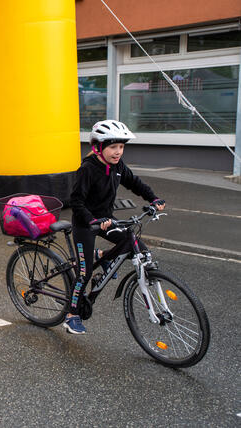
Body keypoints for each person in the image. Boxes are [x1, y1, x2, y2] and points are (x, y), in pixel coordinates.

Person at [66, 120, 165, 335]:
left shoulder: (118, 166)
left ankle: (101, 254)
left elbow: (135, 183)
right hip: (86, 224)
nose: (118, 152)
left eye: (121, 147)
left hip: (107, 219)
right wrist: (92, 220)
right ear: (98, 147)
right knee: (85, 272)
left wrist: (153, 198)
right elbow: (76, 202)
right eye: (113, 147)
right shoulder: (88, 169)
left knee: (134, 243)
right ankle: (72, 315)